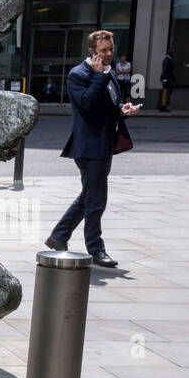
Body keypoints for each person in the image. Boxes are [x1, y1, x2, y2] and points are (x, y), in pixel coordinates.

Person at [45, 29, 140, 268]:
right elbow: (86, 104)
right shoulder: (79, 74)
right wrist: (99, 76)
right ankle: (96, 250)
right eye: (103, 51)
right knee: (96, 200)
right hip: (88, 146)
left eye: (111, 50)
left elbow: (107, 106)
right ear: (92, 51)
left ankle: (58, 237)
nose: (108, 55)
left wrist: (123, 109)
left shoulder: (110, 73)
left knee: (89, 196)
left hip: (104, 144)